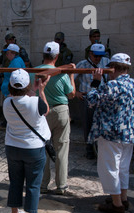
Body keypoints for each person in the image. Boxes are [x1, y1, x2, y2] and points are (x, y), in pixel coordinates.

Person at [87, 54, 134, 213]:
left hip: (111, 133)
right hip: (130, 133)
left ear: (112, 68)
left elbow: (92, 100)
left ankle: (117, 204)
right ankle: (123, 197)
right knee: (123, 167)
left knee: (110, 168)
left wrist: (95, 82)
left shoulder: (113, 85)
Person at [3, 69, 52, 213]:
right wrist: (41, 89)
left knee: (15, 182)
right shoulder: (35, 101)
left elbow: (19, 97)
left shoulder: (6, 102)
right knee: (33, 184)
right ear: (28, 86)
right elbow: (46, 110)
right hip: (33, 148)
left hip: (13, 147)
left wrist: (33, 90)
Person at [32, 41, 76, 195]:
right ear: (57, 56)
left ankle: (43, 184)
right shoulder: (61, 72)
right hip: (60, 111)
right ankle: (61, 185)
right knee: (61, 148)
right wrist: (71, 75)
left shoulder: (33, 71)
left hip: (40, 111)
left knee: (41, 148)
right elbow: (71, 94)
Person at [75, 44, 110, 159]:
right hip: (87, 97)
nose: (98, 59)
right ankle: (89, 148)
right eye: (95, 56)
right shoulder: (82, 64)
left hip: (102, 98)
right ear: (90, 54)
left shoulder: (107, 62)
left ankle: (101, 148)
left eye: (100, 56)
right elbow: (70, 78)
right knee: (88, 123)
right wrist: (76, 93)